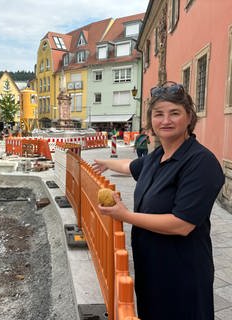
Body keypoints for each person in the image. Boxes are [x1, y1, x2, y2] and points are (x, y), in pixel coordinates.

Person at [92, 81, 225, 320]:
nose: (166, 120)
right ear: (151, 121)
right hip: (151, 270)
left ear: (189, 118)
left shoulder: (200, 162)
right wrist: (105, 162)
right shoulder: (156, 157)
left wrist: (126, 216)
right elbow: (128, 166)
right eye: (158, 114)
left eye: (174, 113)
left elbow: (182, 224)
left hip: (182, 275)